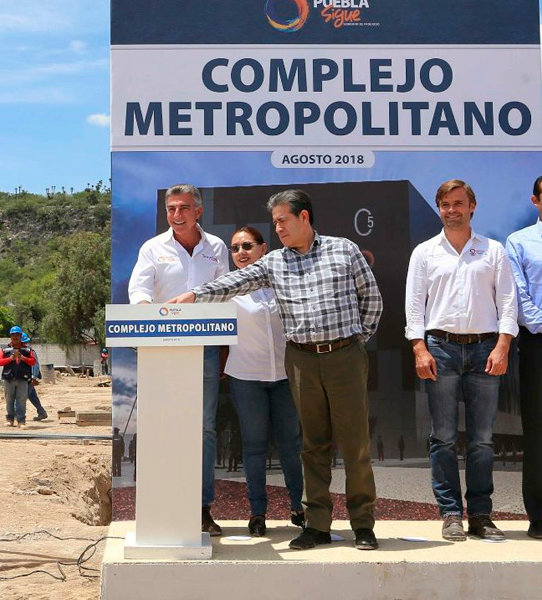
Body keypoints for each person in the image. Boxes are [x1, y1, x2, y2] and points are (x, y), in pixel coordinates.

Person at [170, 189, 383, 551]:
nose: (279, 228)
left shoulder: (343, 249)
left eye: (283, 221)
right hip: (299, 360)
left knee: (355, 445)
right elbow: (232, 283)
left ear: (304, 218)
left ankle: (362, 524)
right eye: (275, 223)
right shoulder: (275, 262)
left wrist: (355, 341)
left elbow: (372, 300)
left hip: (345, 356)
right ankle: (316, 524)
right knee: (312, 446)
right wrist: (194, 295)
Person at [405, 179, 517, 543]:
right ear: (439, 208)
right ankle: (451, 513)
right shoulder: (424, 252)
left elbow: (508, 303)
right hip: (440, 350)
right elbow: (414, 305)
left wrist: (502, 347)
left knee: (483, 440)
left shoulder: (493, 251)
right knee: (443, 438)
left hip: (486, 350)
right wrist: (419, 348)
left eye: (458, 203)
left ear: (472, 206)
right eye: (445, 204)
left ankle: (481, 516)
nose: (451, 210)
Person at [128, 183, 229, 536]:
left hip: (204, 348)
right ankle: (162, 508)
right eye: (171, 209)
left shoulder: (216, 247)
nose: (176, 215)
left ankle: (201, 509)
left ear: (198, 211)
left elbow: (222, 292)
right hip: (161, 348)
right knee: (161, 424)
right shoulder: (152, 248)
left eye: (183, 208)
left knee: (203, 429)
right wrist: (145, 314)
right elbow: (139, 289)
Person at [224, 226, 305, 537]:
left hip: (287, 377)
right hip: (246, 378)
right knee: (254, 447)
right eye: (235, 248)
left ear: (263, 248)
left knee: (291, 445)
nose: (241, 252)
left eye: (247, 245)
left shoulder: (284, 282)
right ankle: (257, 513)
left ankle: (300, 507)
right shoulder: (227, 289)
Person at [506, 176, 542, 540]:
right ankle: (540, 515)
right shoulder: (519, 242)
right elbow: (519, 297)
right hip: (539, 343)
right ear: (536, 200)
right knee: (538, 432)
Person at [0, 326, 36, 429]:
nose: (15, 337)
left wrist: (23, 358)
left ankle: (21, 421)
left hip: (22, 379)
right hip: (9, 379)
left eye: (17, 335)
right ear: (10, 336)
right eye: (13, 335)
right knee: (9, 400)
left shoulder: (27, 350)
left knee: (21, 400)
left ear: (20, 336)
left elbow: (33, 362)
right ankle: (10, 419)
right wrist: (10, 359)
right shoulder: (5, 349)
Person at [22, 333, 48, 421]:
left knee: (21, 397)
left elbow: (35, 365)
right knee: (32, 396)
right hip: (26, 378)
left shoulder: (30, 352)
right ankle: (42, 412)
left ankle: (17, 415)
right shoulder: (23, 352)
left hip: (29, 379)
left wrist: (33, 378)